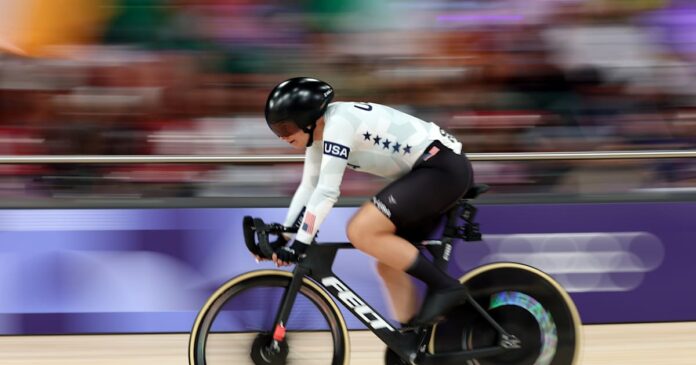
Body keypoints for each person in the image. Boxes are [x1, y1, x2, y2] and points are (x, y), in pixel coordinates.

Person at [263, 77, 474, 326]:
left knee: (361, 230)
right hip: (429, 171)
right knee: (388, 264)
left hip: (441, 168)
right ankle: (410, 341)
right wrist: (287, 234)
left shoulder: (338, 124)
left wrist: (301, 243)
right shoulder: (318, 136)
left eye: (285, 129)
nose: (282, 137)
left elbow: (327, 191)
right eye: (276, 131)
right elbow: (308, 186)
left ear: (308, 120)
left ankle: (446, 287)